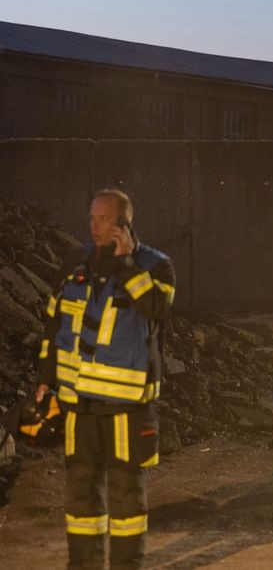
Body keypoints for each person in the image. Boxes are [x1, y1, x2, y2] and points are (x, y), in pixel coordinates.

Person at [36, 189, 175, 568]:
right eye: (92, 217)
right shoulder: (75, 261)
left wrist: (127, 264)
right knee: (80, 499)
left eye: (103, 219)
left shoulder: (155, 266)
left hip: (126, 408)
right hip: (78, 405)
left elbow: (155, 310)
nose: (93, 225)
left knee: (127, 500)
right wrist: (45, 379)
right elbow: (54, 322)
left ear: (124, 224)